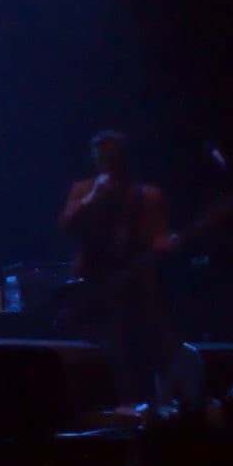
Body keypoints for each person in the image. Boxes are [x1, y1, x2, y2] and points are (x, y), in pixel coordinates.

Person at [59, 130, 178, 406]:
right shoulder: (84, 190)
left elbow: (158, 236)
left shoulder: (147, 195)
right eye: (101, 158)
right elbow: (67, 226)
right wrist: (92, 199)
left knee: (146, 354)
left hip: (136, 288)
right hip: (94, 287)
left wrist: (164, 244)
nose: (107, 164)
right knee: (103, 358)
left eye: (112, 157)